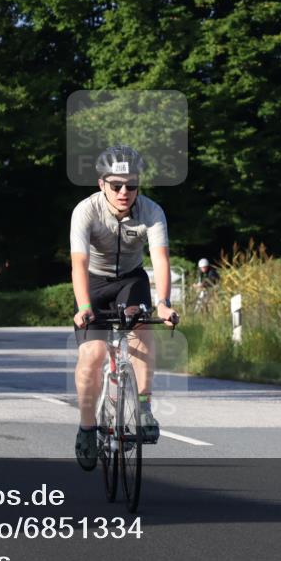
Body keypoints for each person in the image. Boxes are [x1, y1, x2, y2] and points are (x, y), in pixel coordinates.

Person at [70, 145, 178, 471]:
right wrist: (84, 306)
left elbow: (160, 259)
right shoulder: (85, 211)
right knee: (92, 355)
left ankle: (143, 407)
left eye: (131, 185)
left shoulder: (151, 211)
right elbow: (78, 263)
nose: (123, 192)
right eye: (116, 185)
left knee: (141, 330)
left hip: (131, 280)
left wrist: (164, 304)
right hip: (94, 282)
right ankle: (87, 428)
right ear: (101, 183)